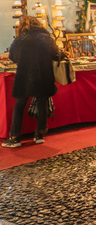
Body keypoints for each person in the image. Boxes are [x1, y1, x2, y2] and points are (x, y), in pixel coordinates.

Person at [2, 16, 60, 148]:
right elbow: (56, 53)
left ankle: (15, 137)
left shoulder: (21, 39)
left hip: (25, 76)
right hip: (44, 75)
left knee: (19, 105)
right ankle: (39, 134)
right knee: (42, 102)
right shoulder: (46, 38)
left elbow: (12, 56)